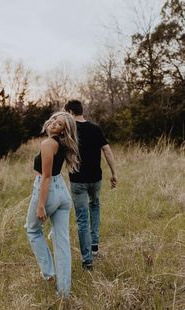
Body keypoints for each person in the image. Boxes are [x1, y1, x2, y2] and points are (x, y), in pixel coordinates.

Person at [24, 111, 79, 299]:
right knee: (62, 241)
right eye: (55, 119)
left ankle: (49, 273)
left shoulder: (48, 143)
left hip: (49, 191)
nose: (55, 123)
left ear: (65, 131)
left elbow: (46, 177)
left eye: (60, 124)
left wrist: (41, 205)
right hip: (62, 192)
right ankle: (64, 292)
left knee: (32, 230)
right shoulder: (61, 143)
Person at [64, 99, 117, 270]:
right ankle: (94, 244)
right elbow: (107, 150)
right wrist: (114, 173)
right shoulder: (95, 128)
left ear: (71, 112)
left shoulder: (68, 131)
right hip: (96, 179)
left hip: (78, 181)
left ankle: (87, 261)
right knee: (94, 206)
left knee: (82, 219)